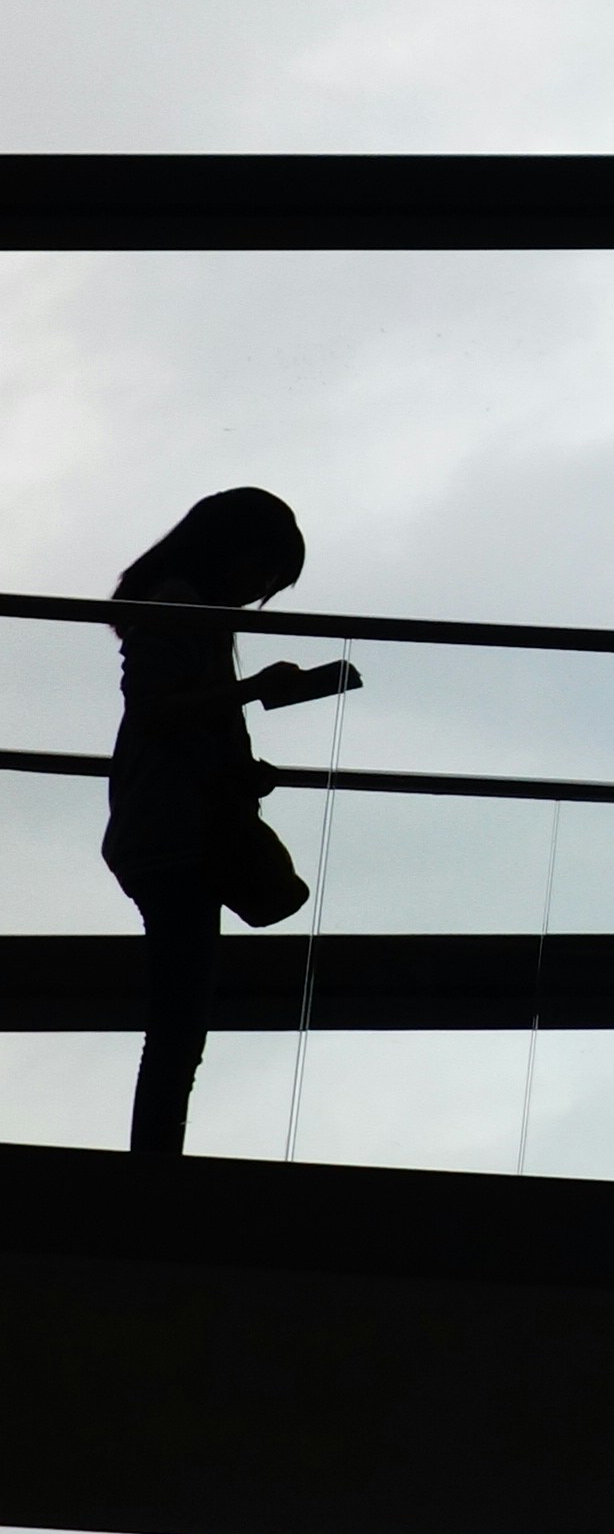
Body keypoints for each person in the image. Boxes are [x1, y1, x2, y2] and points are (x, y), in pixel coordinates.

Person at [106, 486, 347, 1161]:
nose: (262, 589)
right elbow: (157, 709)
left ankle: (155, 1167)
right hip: (172, 834)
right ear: (232, 552)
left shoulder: (185, 608)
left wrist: (239, 769)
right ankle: (154, 1174)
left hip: (167, 827)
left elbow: (171, 718)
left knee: (181, 1024)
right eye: (265, 571)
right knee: (179, 1027)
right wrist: (252, 689)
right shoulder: (182, 608)